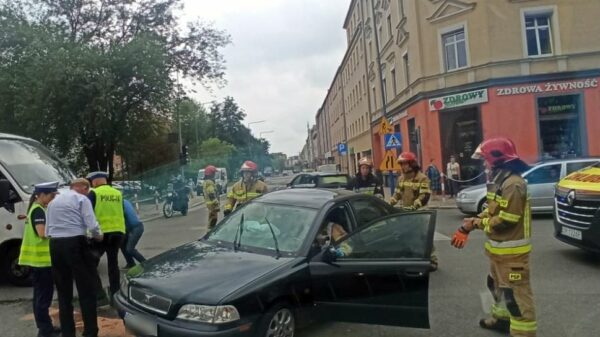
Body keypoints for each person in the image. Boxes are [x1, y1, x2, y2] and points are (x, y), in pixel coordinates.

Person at [450, 137, 536, 337]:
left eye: (485, 159)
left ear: (497, 159)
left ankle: (523, 334)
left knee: (516, 298)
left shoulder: (513, 184)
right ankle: (501, 320)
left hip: (513, 255)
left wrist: (477, 224)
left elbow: (508, 219)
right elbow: (491, 210)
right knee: (496, 286)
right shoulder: (500, 181)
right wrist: (471, 223)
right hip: (499, 252)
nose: (484, 164)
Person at [46, 178, 103, 337]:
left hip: (56, 246)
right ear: (84, 188)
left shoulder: (53, 203)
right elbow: (92, 225)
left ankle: (68, 332)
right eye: (88, 191)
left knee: (64, 293)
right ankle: (90, 331)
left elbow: (47, 231)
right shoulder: (81, 199)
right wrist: (99, 236)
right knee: (86, 290)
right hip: (76, 243)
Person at [18, 182, 60, 337]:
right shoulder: (38, 211)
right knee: (43, 297)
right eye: (51, 195)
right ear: (41, 195)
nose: (53, 198)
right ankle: (45, 330)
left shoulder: (36, 209)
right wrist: (58, 232)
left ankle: (45, 326)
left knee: (39, 296)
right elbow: (42, 233)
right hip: (42, 262)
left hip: (38, 261)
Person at [390, 152, 437, 270]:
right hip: (405, 212)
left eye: (405, 164)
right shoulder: (401, 178)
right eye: (401, 164)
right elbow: (398, 193)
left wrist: (415, 205)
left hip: (420, 213)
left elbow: (425, 196)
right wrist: (391, 201)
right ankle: (410, 258)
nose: (403, 167)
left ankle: (432, 260)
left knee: (423, 236)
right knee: (406, 236)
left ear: (412, 164)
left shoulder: (422, 178)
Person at [86, 171, 126, 300]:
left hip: (102, 234)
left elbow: (87, 213)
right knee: (113, 264)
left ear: (96, 181)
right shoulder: (117, 193)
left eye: (92, 181)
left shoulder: (94, 193)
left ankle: (99, 294)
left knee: (91, 262)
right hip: (118, 232)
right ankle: (115, 293)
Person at [120, 199, 146, 269]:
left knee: (129, 249)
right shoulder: (125, 201)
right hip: (132, 228)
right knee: (122, 245)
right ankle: (130, 263)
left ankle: (145, 263)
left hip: (136, 228)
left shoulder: (121, 204)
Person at [203, 165, 220, 230]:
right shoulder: (209, 182)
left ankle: (210, 231)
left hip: (209, 204)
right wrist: (216, 203)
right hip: (212, 204)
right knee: (213, 219)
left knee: (211, 218)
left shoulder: (206, 182)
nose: (215, 175)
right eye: (214, 173)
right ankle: (210, 233)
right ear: (211, 174)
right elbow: (211, 193)